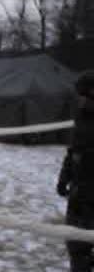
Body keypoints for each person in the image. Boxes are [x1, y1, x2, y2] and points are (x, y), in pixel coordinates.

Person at [57, 70, 94, 272]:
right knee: (77, 244)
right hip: (80, 193)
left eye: (83, 95)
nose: (80, 100)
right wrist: (65, 178)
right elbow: (74, 151)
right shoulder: (83, 117)